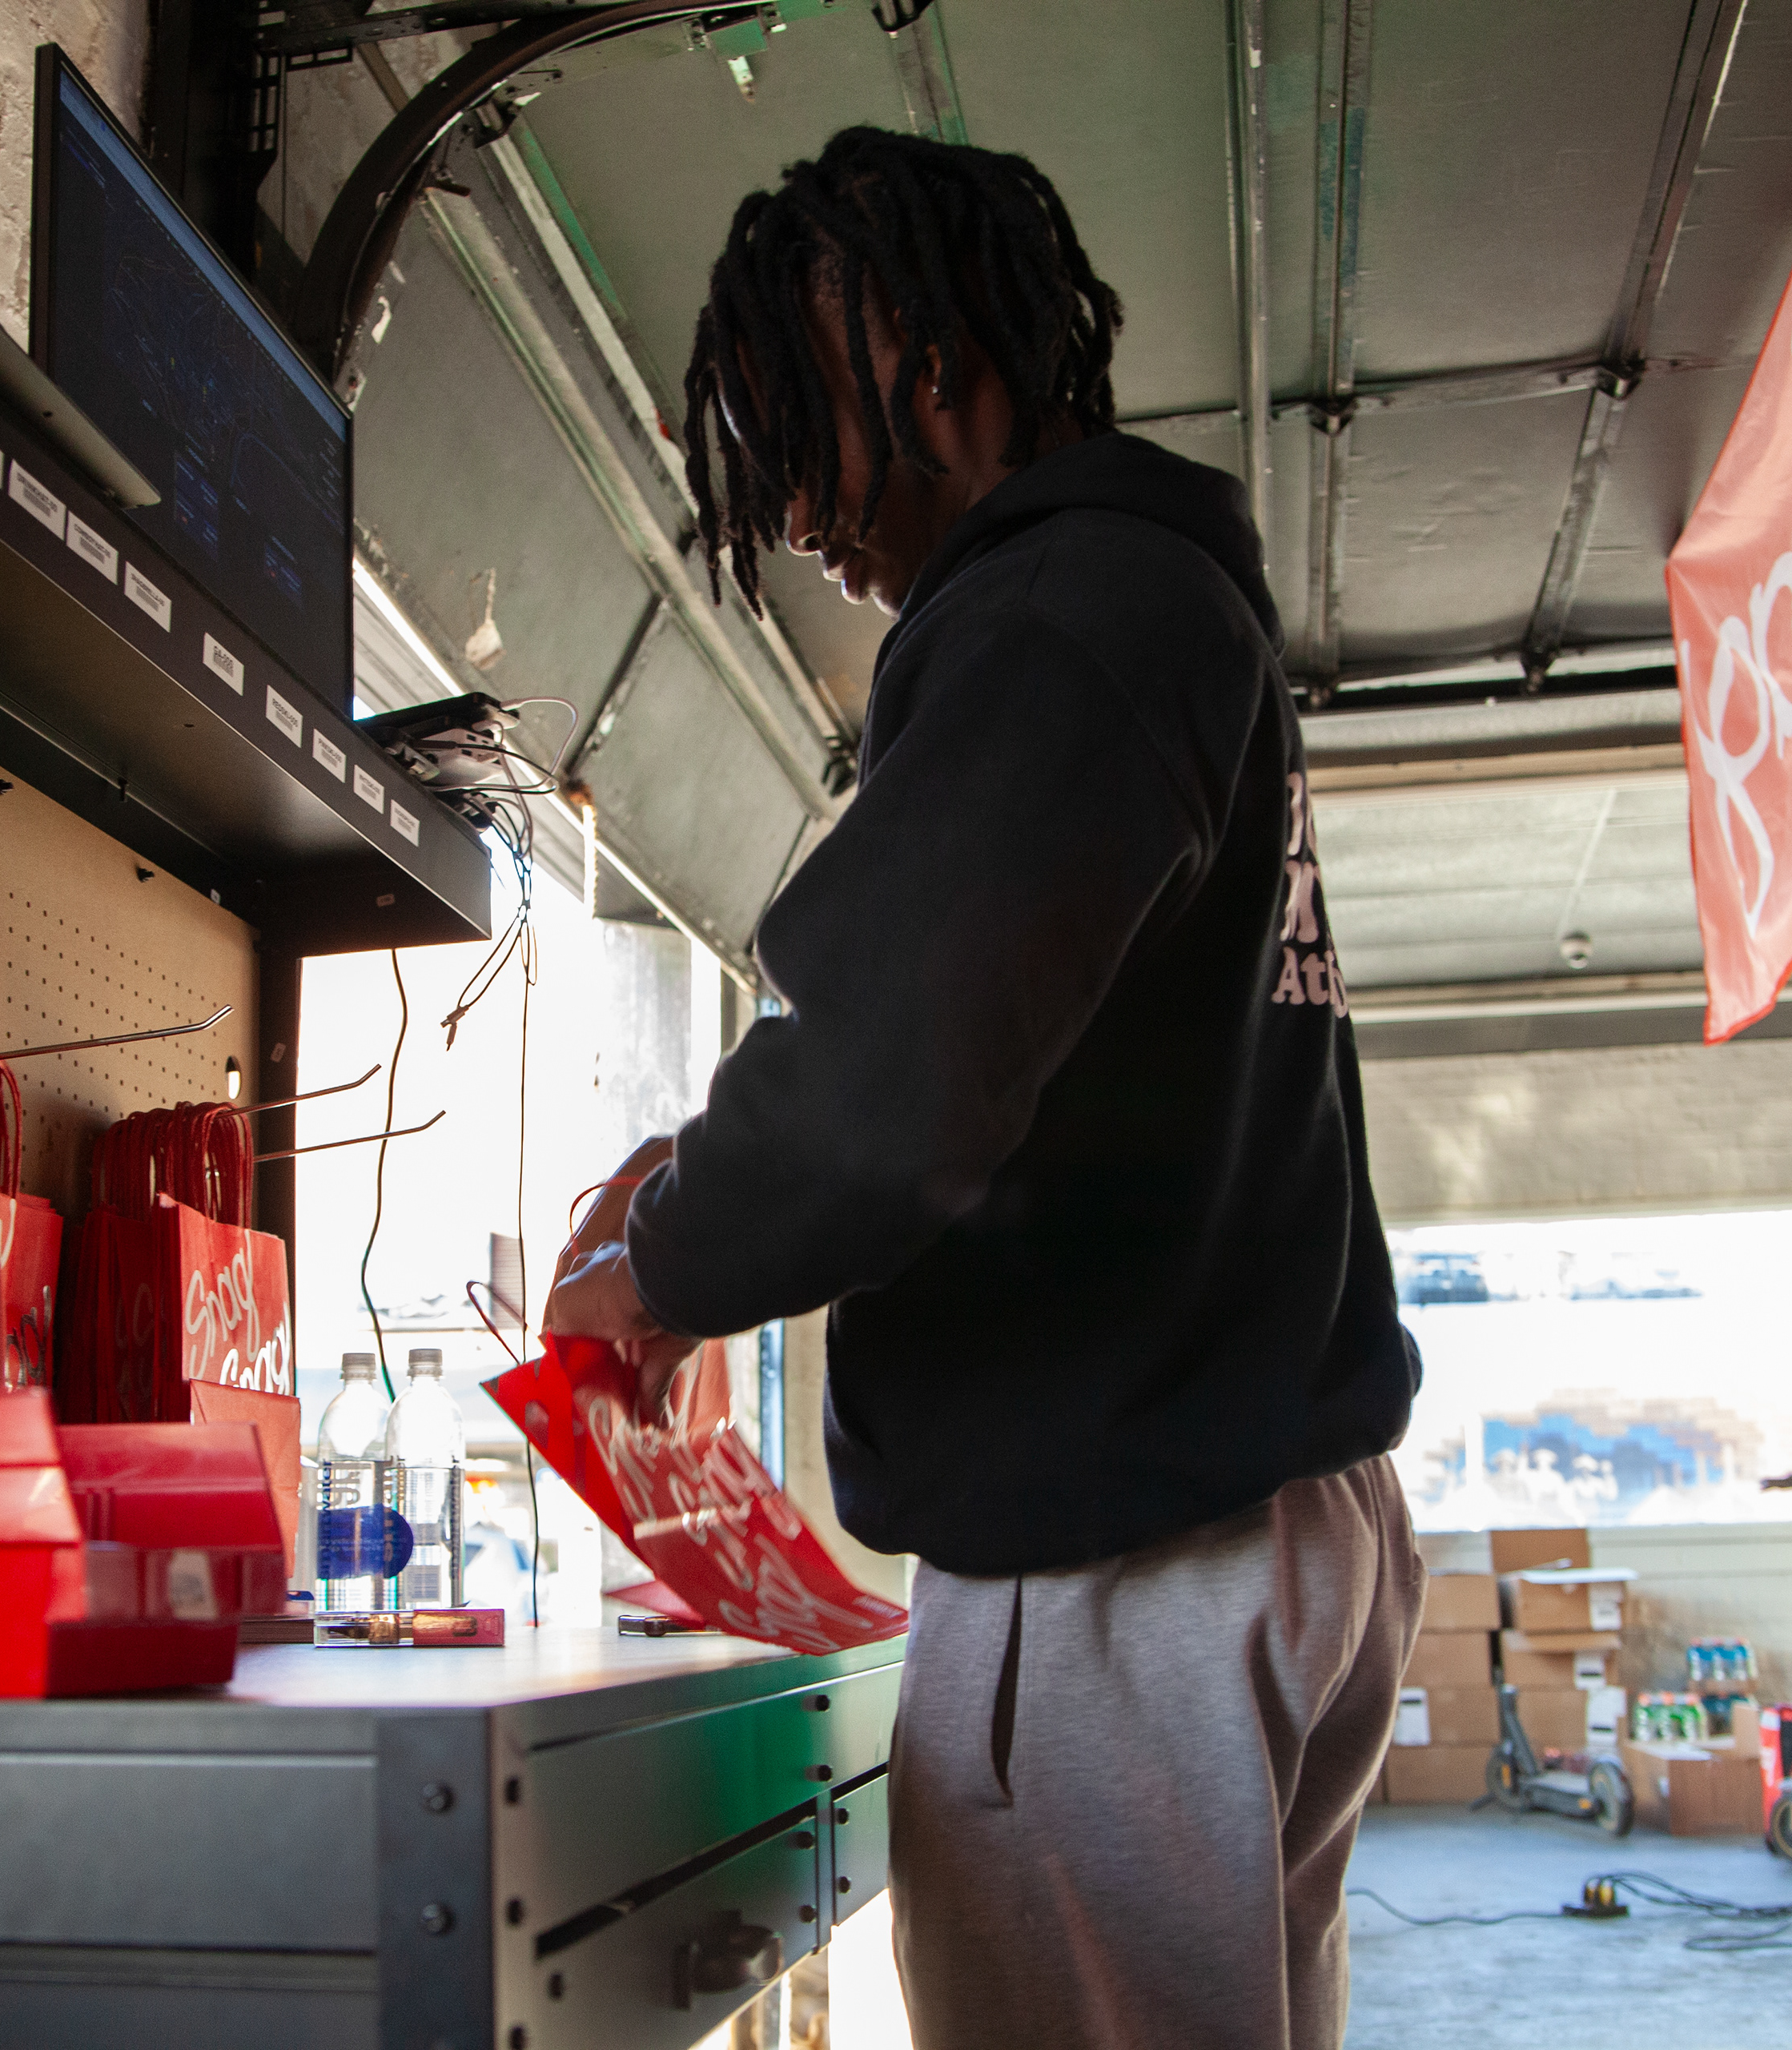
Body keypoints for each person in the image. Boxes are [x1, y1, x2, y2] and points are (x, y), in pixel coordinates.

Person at [544, 125, 1423, 2050]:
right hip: (1252, 1514)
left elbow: (897, 1075)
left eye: (798, 431)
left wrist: (669, 1265)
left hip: (1131, 1571)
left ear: (937, 375)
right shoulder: (1158, 615)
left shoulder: (1063, 612)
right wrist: (703, 1176)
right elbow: (1008, 1027)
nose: (788, 512)